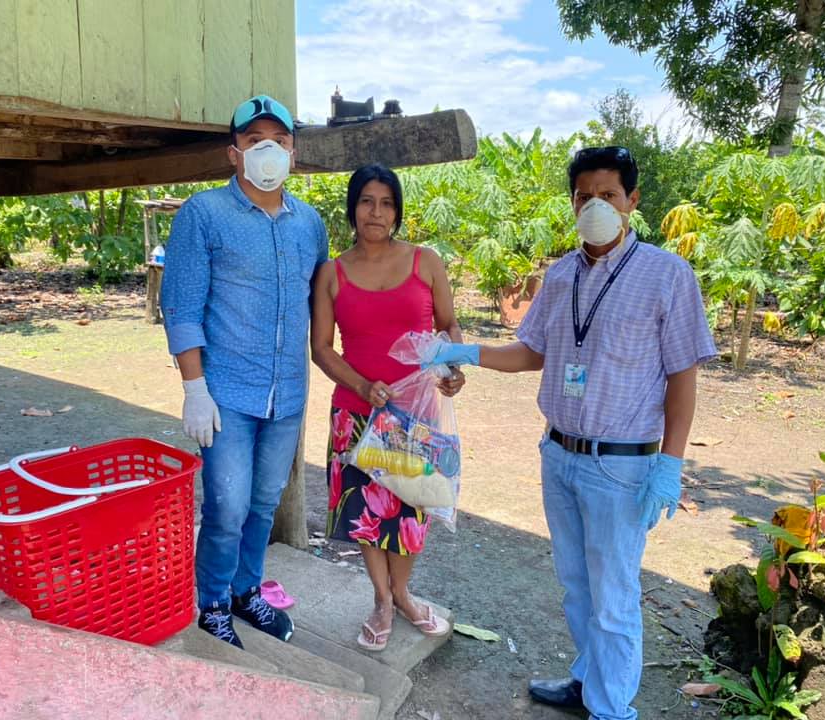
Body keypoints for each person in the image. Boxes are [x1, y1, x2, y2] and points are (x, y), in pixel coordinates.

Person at [423, 146, 717, 719]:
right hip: (559, 453)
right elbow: (533, 351)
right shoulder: (560, 276)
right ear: (572, 202)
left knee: (614, 596)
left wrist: (670, 463)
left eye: (608, 195)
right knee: (577, 587)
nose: (595, 206)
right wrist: (466, 351)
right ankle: (588, 683)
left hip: (620, 464)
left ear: (632, 200)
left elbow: (683, 376)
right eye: (585, 196)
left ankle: (612, 709)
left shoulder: (666, 275)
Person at [161, 94, 328, 649]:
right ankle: (211, 603)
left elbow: (324, 301)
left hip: (287, 396)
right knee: (227, 508)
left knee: (262, 504)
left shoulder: (310, 224)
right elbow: (181, 307)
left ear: (293, 152)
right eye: (255, 141)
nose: (268, 150)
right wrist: (194, 389)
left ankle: (245, 590)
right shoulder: (203, 214)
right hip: (226, 395)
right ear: (234, 153)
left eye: (279, 141)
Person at [311, 163, 464, 651]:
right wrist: (362, 384)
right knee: (367, 513)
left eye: (386, 203)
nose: (376, 212)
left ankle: (403, 594)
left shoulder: (426, 262)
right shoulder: (331, 273)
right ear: (352, 208)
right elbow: (322, 348)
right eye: (366, 201)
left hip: (416, 416)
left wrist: (453, 365)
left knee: (414, 508)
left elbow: (449, 326)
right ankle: (382, 599)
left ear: (397, 212)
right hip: (355, 414)